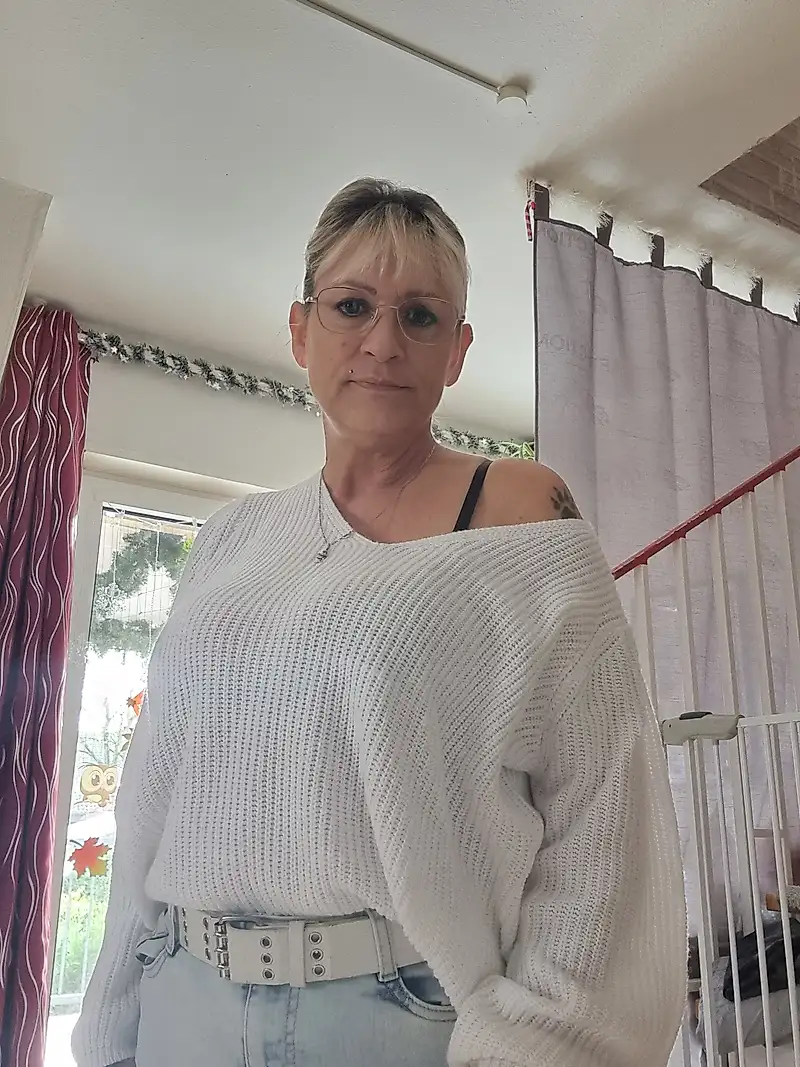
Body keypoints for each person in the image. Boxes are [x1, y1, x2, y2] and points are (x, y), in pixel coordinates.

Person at [73, 177, 687, 1067]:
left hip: (392, 1017)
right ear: (300, 330)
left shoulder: (519, 510)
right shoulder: (234, 537)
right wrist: (111, 1027)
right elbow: (152, 791)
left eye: (420, 316)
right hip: (181, 998)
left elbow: (602, 810)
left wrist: (543, 1044)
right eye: (352, 305)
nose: (383, 342)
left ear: (458, 349)